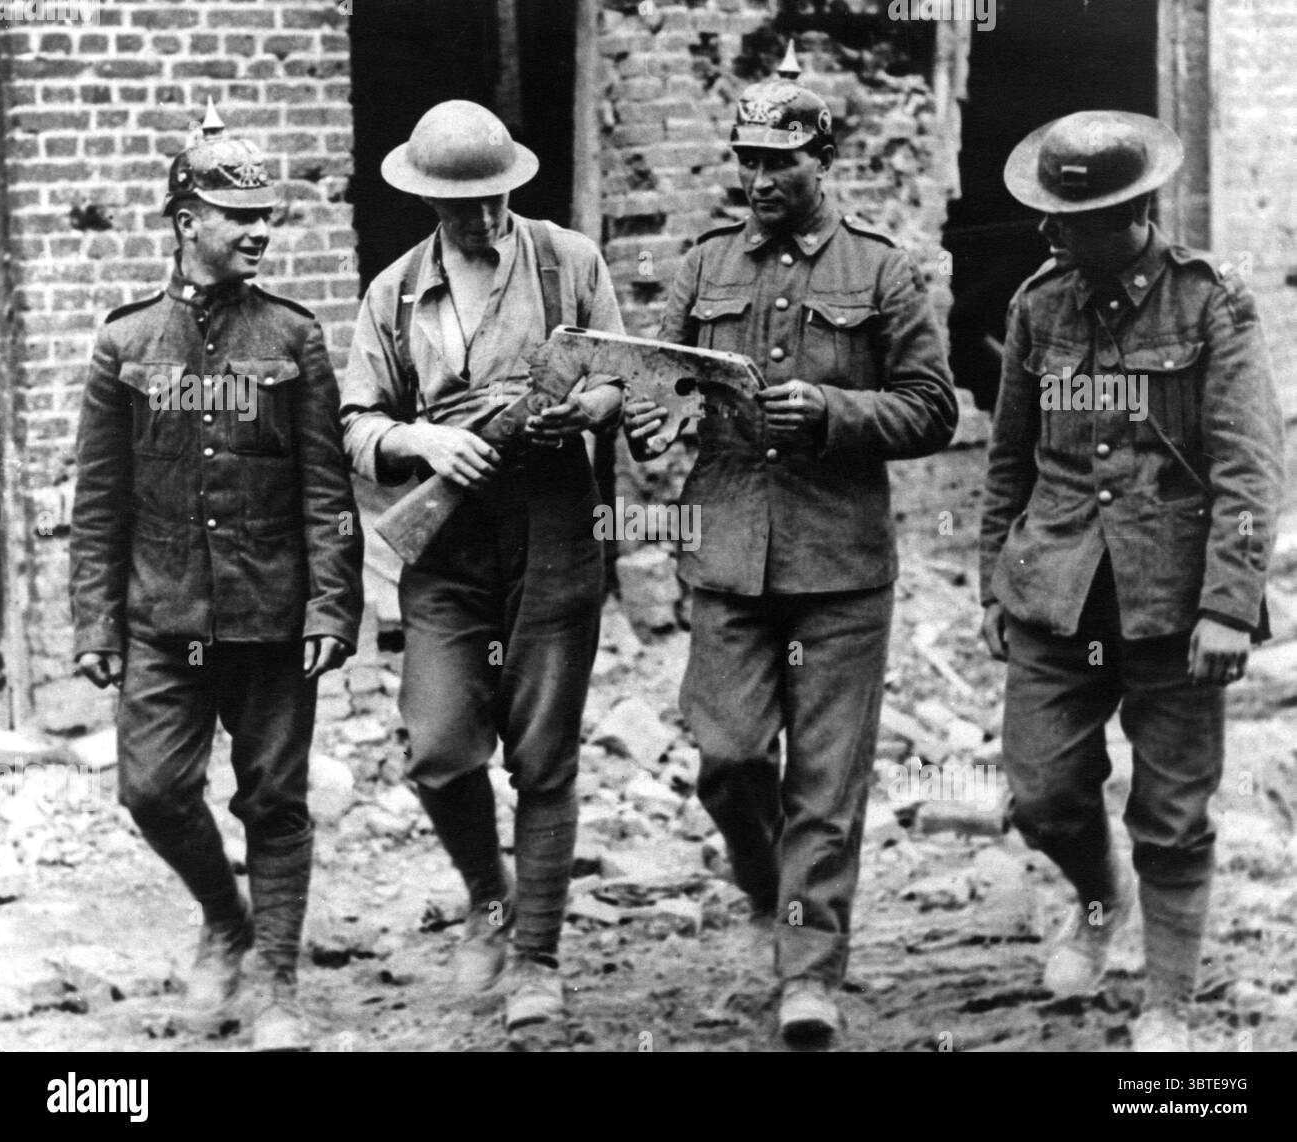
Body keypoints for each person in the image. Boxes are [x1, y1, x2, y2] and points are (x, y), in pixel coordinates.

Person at [625, 60, 957, 1047]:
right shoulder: (702, 264)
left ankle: (809, 972)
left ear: (823, 158)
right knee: (727, 761)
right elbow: (661, 376)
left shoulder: (881, 269)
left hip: (839, 565)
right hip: (726, 551)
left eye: (779, 162)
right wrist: (654, 422)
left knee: (824, 781)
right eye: (747, 161)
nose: (758, 179)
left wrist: (830, 413)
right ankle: (781, 903)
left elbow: (933, 407)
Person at [980, 110, 1284, 1051]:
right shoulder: (1040, 305)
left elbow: (1248, 465)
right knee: (1041, 794)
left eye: (1067, 219)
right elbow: (1008, 459)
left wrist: (1230, 605)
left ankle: (1168, 1004)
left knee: (1174, 815)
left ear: (1129, 213)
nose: (1048, 234)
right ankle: (1099, 898)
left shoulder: (1213, 302)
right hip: (1058, 591)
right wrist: (997, 578)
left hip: (1175, 602)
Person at [70, 103, 363, 1051]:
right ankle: (225, 918)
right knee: (151, 790)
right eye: (239, 215)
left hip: (273, 614)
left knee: (275, 800)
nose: (260, 231)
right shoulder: (124, 345)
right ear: (186, 220)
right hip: (163, 613)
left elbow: (327, 488)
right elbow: (100, 499)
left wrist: (332, 605)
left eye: (268, 215)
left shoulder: (293, 338)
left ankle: (275, 975)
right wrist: (94, 626)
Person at [339, 100, 625, 1039]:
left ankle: (536, 956)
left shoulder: (570, 260)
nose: (483, 218)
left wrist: (583, 412)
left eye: (496, 198)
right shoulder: (393, 293)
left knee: (544, 755)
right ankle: (486, 899)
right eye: (462, 205)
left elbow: (621, 373)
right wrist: (422, 439)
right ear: (428, 201)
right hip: (449, 541)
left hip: (550, 525)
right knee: (437, 745)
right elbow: (355, 422)